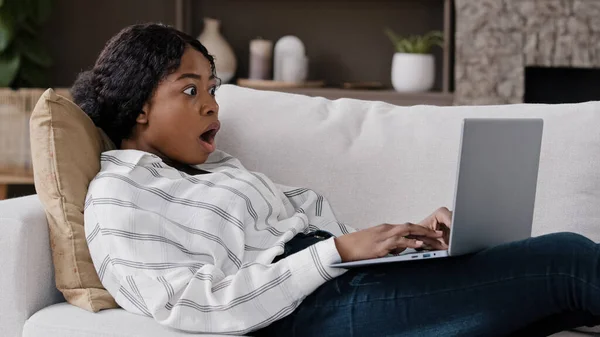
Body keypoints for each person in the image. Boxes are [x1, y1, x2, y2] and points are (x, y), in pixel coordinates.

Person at [73, 23, 600, 337]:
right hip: (307, 314)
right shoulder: (119, 194)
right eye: (190, 91)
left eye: (212, 87)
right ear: (140, 104)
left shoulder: (216, 167)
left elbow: (321, 246)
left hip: (345, 284)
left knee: (565, 294)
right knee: (568, 260)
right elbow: (189, 304)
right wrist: (338, 254)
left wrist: (408, 243)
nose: (212, 103)